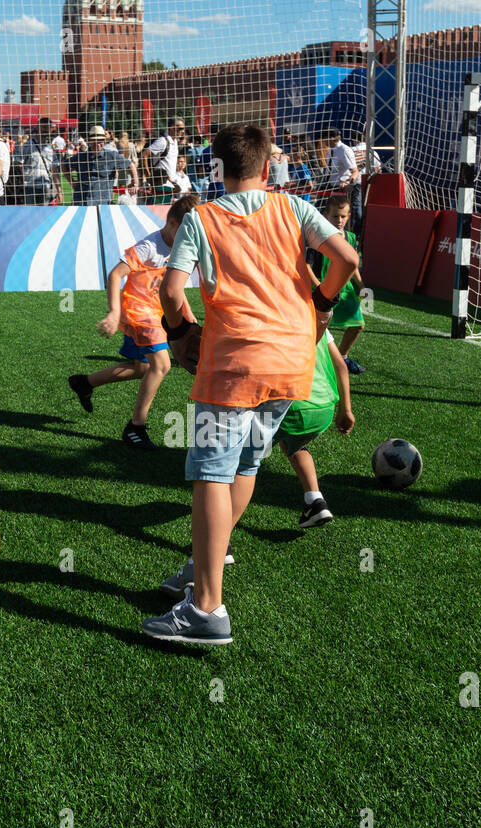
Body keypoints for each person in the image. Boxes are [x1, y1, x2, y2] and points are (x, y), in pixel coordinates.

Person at [143, 123, 359, 645]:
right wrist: (323, 305)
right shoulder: (294, 208)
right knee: (244, 465)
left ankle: (207, 608)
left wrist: (180, 333)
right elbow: (347, 260)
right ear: (267, 168)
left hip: (235, 364)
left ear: (216, 167)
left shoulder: (202, 218)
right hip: (292, 362)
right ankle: (201, 573)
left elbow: (171, 291)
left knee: (211, 476)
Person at [68, 193, 202, 448]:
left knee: (143, 367)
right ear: (172, 223)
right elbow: (116, 274)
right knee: (161, 366)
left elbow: (176, 283)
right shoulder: (149, 246)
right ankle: (135, 428)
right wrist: (114, 312)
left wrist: (187, 312)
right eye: (185, 232)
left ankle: (85, 382)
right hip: (138, 312)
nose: (189, 239)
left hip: (155, 312)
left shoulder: (180, 246)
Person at [272, 327, 354, 528]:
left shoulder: (275, 315)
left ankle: (221, 543)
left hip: (289, 405)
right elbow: (341, 366)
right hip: (323, 409)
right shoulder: (318, 322)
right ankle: (315, 500)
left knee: (240, 464)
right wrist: (346, 410)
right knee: (293, 443)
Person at [310, 194, 366, 374]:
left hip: (345, 289)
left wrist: (361, 285)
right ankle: (310, 361)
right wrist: (317, 285)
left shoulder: (350, 237)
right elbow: (306, 265)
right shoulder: (317, 236)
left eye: (343, 216)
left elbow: (353, 263)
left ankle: (342, 358)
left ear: (349, 216)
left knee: (358, 325)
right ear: (325, 215)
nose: (339, 220)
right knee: (315, 329)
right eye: (335, 216)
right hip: (322, 288)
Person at [67, 125, 138, 205]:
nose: (97, 144)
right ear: (89, 141)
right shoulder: (81, 157)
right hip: (81, 202)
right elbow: (64, 165)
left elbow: (131, 165)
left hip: (103, 203)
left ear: (104, 141)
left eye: (100, 141)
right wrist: (72, 181)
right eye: (94, 141)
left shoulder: (111, 156)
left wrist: (134, 183)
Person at [15, 117, 58, 204]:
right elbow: (18, 165)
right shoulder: (27, 145)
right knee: (28, 214)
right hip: (29, 187)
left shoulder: (51, 149)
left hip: (45, 187)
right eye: (44, 127)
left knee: (43, 215)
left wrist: (59, 190)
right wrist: (21, 184)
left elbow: (54, 170)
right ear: (38, 127)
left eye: (48, 127)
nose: (46, 130)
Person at [146, 117, 186, 193]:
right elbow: (144, 155)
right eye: (180, 128)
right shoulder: (162, 141)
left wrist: (174, 182)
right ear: (171, 128)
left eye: (183, 128)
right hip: (160, 185)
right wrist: (148, 175)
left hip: (170, 185)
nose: (183, 131)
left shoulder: (175, 142)